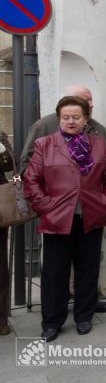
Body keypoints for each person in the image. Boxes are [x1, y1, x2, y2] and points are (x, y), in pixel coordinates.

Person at [23, 96, 106, 342]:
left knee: (88, 268)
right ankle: (52, 322)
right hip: (58, 217)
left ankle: (84, 316)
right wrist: (45, 206)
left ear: (85, 119)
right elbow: (31, 180)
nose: (70, 121)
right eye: (65, 117)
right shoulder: (45, 144)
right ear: (59, 119)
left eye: (76, 117)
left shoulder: (98, 145)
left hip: (91, 214)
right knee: (55, 273)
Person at [21, 84, 106, 172]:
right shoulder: (44, 126)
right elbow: (27, 164)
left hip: (93, 190)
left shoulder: (99, 129)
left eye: (91, 100)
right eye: (87, 100)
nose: (91, 104)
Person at [0, 134, 15, 336]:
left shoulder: (0, 135)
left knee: (0, 265)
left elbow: (12, 165)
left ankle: (1, 318)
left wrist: (3, 152)